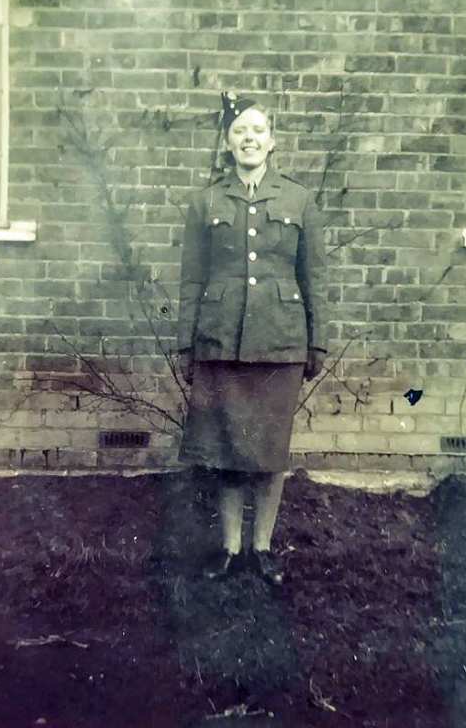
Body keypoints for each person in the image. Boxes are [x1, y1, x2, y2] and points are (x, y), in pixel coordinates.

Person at [176, 92, 328, 586]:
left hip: (281, 341)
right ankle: (229, 548)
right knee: (224, 449)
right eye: (240, 131)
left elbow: (315, 279)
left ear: (272, 140)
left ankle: (262, 548)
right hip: (221, 340)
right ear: (227, 142)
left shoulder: (298, 199)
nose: (249, 139)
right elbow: (191, 279)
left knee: (269, 453)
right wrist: (186, 343)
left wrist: (317, 341)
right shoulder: (206, 201)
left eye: (258, 130)